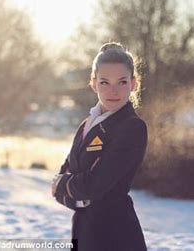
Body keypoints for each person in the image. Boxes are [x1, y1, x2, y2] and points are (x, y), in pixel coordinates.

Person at [52, 42, 148, 251]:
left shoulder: (132, 127)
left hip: (116, 237)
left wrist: (68, 186)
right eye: (105, 82)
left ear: (134, 84)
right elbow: (63, 183)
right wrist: (78, 196)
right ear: (94, 83)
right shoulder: (86, 125)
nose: (113, 90)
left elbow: (93, 185)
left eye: (121, 82)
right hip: (85, 234)